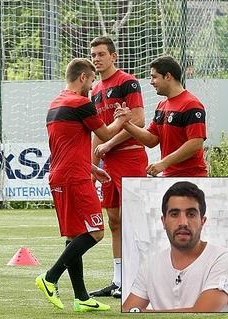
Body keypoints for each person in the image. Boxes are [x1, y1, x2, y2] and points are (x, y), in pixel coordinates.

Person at [35, 58, 131, 312]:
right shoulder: (81, 102)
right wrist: (123, 117)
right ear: (82, 78)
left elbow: (64, 147)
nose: (92, 85)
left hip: (60, 175)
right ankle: (50, 277)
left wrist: (92, 168)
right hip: (74, 179)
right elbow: (108, 134)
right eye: (91, 80)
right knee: (96, 232)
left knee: (75, 235)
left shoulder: (56, 103)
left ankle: (81, 297)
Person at [88, 36, 148, 299]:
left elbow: (138, 119)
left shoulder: (127, 82)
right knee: (114, 221)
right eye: (93, 55)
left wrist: (110, 144)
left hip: (130, 157)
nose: (96, 59)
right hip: (109, 162)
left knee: (134, 221)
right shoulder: (95, 89)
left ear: (114, 56)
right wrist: (91, 166)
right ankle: (118, 280)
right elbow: (96, 132)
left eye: (101, 54)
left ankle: (141, 279)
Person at [122, 181, 228, 312]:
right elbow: (127, 310)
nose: (183, 223)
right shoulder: (150, 266)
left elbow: (203, 313)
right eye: (174, 214)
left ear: (203, 221)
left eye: (191, 214)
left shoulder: (223, 259)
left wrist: (142, 313)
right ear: (163, 221)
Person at [121, 56, 207, 177]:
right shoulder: (162, 106)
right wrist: (126, 124)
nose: (151, 82)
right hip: (169, 176)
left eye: (154, 77)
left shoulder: (191, 104)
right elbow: (151, 140)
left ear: (167, 76)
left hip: (191, 177)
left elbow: (196, 143)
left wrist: (164, 163)